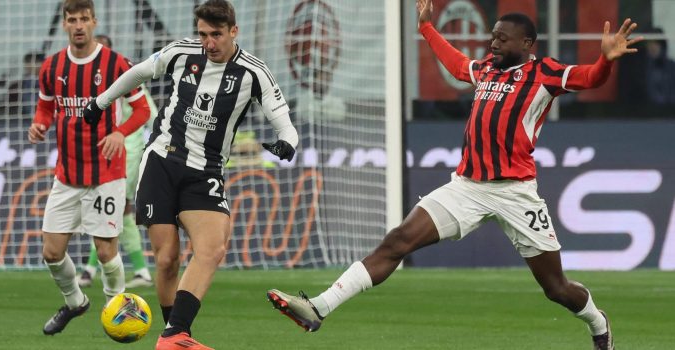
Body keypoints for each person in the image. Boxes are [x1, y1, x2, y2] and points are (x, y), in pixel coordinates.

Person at [266, 1, 643, 350]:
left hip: (516, 193)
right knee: (397, 241)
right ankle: (318, 308)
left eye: (501, 37)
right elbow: (456, 63)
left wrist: (606, 60)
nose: (492, 42)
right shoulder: (485, 71)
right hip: (466, 187)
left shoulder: (544, 73)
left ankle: (597, 321)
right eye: (492, 35)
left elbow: (591, 78)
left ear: (527, 43)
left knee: (556, 289)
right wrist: (428, 28)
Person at [82, 0, 298, 348]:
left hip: (206, 171)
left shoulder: (254, 72)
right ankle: (177, 334)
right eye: (203, 34)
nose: (209, 43)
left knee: (212, 248)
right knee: (167, 259)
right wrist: (101, 102)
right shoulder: (182, 53)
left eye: (216, 35)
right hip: (163, 161)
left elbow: (284, 122)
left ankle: (172, 336)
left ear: (233, 32)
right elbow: (138, 72)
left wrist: (287, 142)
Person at [27, 0, 151, 336]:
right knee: (52, 251)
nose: (79, 25)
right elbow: (45, 109)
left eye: (84, 19)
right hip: (67, 175)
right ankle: (75, 302)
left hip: (106, 173)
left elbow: (142, 111)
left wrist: (119, 132)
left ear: (93, 22)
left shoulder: (115, 65)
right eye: (72, 20)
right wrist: (39, 125)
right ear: (65, 24)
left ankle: (119, 314)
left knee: (105, 249)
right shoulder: (52, 67)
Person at [77, 34, 157, 289]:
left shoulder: (126, 76)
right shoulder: (92, 83)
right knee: (111, 209)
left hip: (128, 153)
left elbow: (150, 114)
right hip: (105, 154)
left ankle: (92, 269)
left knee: (112, 208)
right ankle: (137, 269)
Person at [8, 51, 46, 115]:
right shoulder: (18, 86)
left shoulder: (49, 81)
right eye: (28, 62)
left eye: (36, 62)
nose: (31, 66)